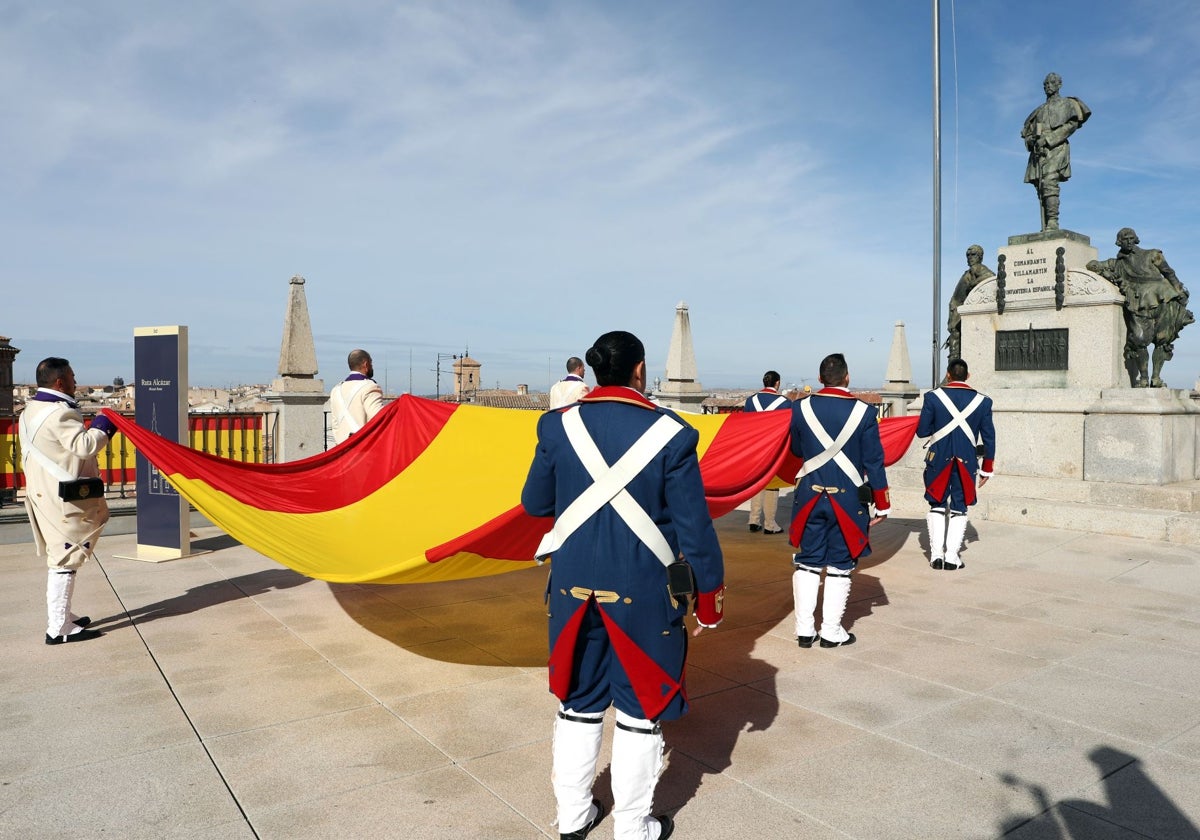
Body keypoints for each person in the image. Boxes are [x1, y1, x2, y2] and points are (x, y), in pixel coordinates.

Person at [522, 330, 724, 840]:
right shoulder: (672, 434)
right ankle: (632, 827)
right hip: (644, 593)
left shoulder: (556, 427)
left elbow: (533, 504)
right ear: (639, 370)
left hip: (571, 590)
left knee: (578, 703)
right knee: (639, 710)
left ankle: (573, 817)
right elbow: (696, 531)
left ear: (594, 371)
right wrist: (708, 600)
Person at [788, 353, 889, 649]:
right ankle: (831, 631)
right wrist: (882, 502)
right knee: (840, 564)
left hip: (808, 496)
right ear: (847, 377)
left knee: (808, 562)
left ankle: (804, 630)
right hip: (848, 499)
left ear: (820, 379)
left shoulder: (800, 408)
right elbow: (874, 461)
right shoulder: (865, 413)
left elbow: (796, 449)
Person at [19, 357, 119, 645]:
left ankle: (64, 615)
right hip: (62, 500)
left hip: (45, 493)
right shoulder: (59, 413)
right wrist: (104, 423)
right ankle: (58, 627)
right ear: (60, 381)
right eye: (73, 377)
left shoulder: (33, 409)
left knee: (62, 556)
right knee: (66, 558)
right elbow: (84, 446)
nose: (77, 381)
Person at [1086, 228, 1195, 388]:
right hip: (1138, 304)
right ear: (1119, 243)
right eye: (1124, 239)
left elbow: (1169, 273)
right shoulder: (1116, 263)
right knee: (1139, 340)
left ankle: (1156, 378)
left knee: (1163, 340)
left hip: (1163, 299)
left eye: (1131, 238)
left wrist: (1180, 293)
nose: (1128, 241)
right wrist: (1104, 271)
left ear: (1136, 239)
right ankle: (1143, 378)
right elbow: (1091, 265)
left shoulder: (1152, 254)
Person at [917, 359, 996, 570]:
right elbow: (989, 438)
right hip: (967, 460)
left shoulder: (933, 397)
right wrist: (987, 468)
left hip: (938, 459)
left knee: (937, 504)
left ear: (948, 375)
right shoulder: (983, 402)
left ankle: (935, 556)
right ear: (968, 376)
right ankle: (952, 557)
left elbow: (922, 431)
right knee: (960, 507)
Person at [1021, 72, 1090, 231]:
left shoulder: (1068, 104)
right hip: (1039, 152)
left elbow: (1070, 126)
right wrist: (1032, 141)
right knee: (1040, 188)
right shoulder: (1039, 111)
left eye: (1051, 83)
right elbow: (1028, 134)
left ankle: (1053, 221)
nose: (1048, 86)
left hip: (1056, 148)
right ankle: (1045, 224)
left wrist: (1048, 139)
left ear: (1059, 85)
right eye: (1045, 84)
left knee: (1049, 182)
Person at [744, 370, 792, 535]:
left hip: (754, 450)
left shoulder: (751, 401)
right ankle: (770, 524)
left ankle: (753, 519)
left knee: (757, 484)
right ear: (777, 383)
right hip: (773, 450)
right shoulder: (785, 403)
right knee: (772, 486)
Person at [947, 245, 995, 360]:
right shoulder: (968, 271)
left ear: (980, 256)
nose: (969, 257)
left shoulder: (977, 268)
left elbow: (991, 276)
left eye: (973, 254)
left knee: (956, 335)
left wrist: (973, 284)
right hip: (955, 308)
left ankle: (954, 364)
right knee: (955, 334)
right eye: (968, 255)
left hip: (960, 307)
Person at [329, 349, 384, 444]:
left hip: (341, 449)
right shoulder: (370, 387)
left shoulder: (336, 390)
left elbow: (335, 424)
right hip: (363, 449)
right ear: (366, 364)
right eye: (371, 363)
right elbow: (379, 418)